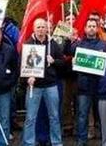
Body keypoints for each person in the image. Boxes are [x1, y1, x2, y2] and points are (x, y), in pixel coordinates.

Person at [22, 18, 65, 146]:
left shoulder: (53, 44)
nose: (41, 29)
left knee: (54, 116)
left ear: (47, 29)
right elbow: (21, 66)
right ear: (34, 29)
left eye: (43, 27)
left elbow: (62, 63)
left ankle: (56, 142)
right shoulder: (28, 44)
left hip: (51, 85)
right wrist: (26, 78)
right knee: (30, 117)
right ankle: (28, 143)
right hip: (34, 86)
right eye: (38, 27)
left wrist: (54, 61)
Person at [69, 19, 106, 146]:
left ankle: (105, 140)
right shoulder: (78, 45)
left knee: (102, 115)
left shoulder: (104, 45)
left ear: (97, 29)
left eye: (93, 26)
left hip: (100, 85)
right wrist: (69, 39)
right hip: (83, 86)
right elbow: (65, 51)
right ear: (85, 29)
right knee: (82, 115)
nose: (91, 28)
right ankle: (81, 141)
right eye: (89, 26)